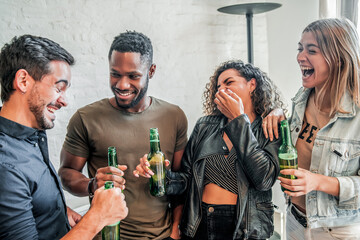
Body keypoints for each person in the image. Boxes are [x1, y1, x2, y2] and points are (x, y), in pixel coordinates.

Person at [58, 31, 188, 240]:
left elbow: (183, 181)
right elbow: (66, 172)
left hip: (162, 236)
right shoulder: (86, 118)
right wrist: (92, 184)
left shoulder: (174, 116)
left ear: (151, 71)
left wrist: (175, 230)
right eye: (115, 74)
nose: (122, 85)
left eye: (133, 76)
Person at [136, 60, 285, 239]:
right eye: (218, 86)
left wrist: (239, 120)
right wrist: (160, 175)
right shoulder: (205, 126)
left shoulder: (270, 127)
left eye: (229, 83)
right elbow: (186, 179)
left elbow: (264, 179)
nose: (220, 89)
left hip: (245, 230)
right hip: (200, 223)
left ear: (252, 84)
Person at [0, 34, 128, 240]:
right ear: (23, 80)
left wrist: (56, 211)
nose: (64, 101)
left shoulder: (30, 135)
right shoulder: (5, 165)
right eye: (58, 88)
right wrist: (97, 217)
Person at [262, 18, 360, 239]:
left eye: (311, 50)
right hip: (295, 219)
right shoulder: (302, 99)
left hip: (337, 231)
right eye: (300, 48)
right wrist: (279, 113)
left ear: (339, 58)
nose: (300, 57)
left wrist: (318, 182)